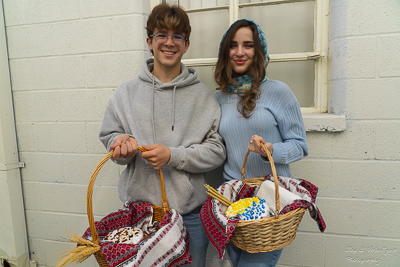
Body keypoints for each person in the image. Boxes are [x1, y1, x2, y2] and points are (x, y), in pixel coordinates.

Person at [99, 3, 226, 267]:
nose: (169, 42)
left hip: (190, 217)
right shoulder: (125, 94)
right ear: (150, 41)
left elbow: (216, 151)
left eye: (177, 36)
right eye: (162, 35)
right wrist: (119, 146)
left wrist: (173, 156)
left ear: (186, 44)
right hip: (140, 217)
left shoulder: (203, 96)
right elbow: (111, 137)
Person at [213, 19, 309, 267]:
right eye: (233, 45)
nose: (240, 52)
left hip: (271, 206)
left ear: (259, 51)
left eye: (248, 45)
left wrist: (270, 151)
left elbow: (300, 145)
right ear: (226, 52)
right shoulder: (218, 98)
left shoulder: (279, 92)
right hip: (234, 204)